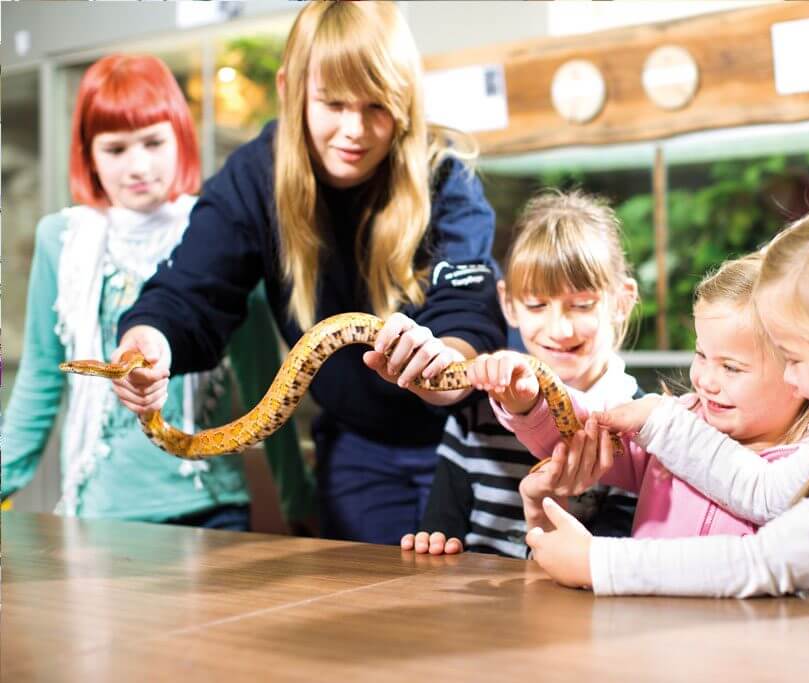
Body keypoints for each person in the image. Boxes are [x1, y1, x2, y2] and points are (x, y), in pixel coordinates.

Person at [109, 2, 505, 543]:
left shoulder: (446, 177)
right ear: (290, 88)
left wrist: (443, 366)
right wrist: (149, 338)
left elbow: (469, 310)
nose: (354, 130)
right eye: (333, 103)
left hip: (475, 437)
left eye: (377, 105)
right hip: (358, 446)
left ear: (406, 99)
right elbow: (191, 292)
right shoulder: (254, 177)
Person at [524, 197, 809, 598]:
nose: (792, 379)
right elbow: (760, 491)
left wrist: (599, 563)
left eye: (795, 358)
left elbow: (764, 561)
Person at [1, 54, 313, 530]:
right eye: (115, 148)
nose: (138, 166)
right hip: (97, 512)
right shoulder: (60, 240)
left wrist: (299, 505)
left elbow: (265, 387)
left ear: (180, 138)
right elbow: (39, 384)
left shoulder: (221, 233)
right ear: (88, 153)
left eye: (153, 141)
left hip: (211, 507)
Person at [501, 252, 809, 545]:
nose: (705, 380)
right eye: (701, 354)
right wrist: (531, 400)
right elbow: (582, 426)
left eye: (731, 367)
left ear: (799, 372)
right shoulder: (673, 422)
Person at [400, 190, 639, 557]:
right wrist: (433, 544)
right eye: (536, 305)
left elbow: (615, 563)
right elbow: (441, 530)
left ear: (622, 301)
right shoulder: (473, 416)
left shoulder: (638, 428)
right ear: (509, 304)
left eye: (582, 305)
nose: (560, 330)